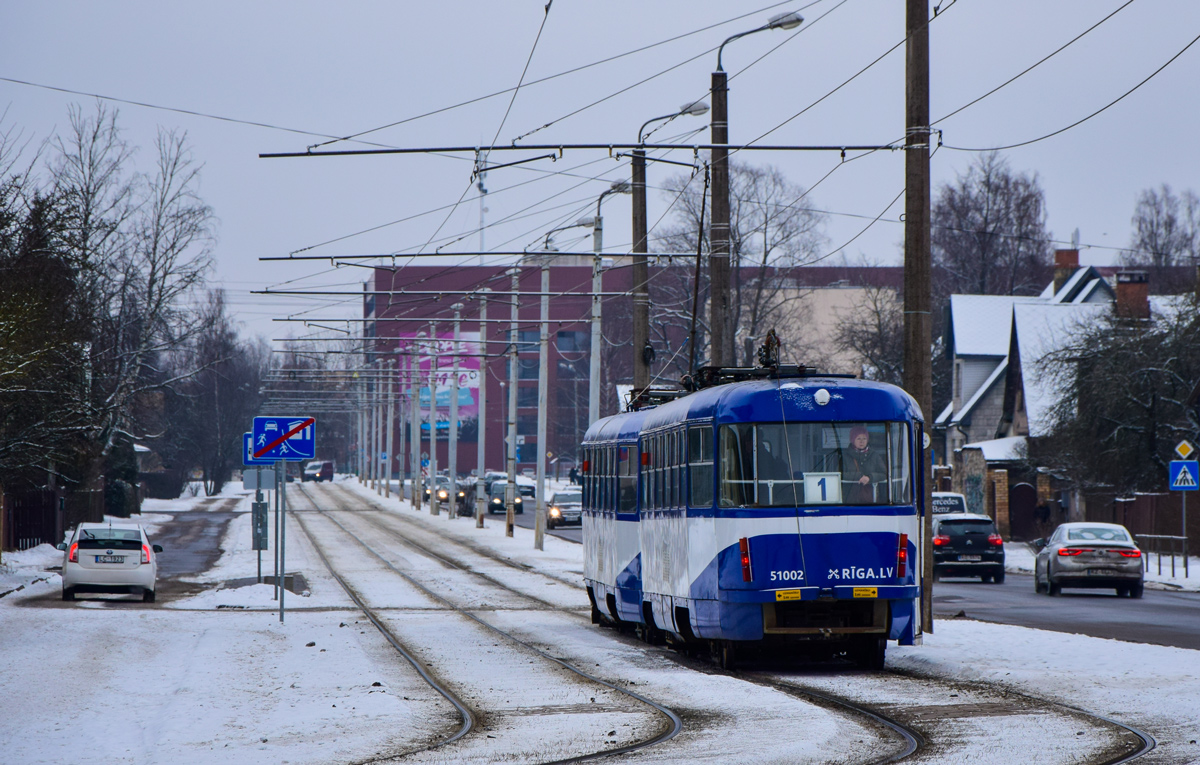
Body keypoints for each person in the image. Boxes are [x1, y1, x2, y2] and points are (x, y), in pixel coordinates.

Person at [844, 425, 887, 504]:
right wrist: (858, 476)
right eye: (858, 438)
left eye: (864, 438)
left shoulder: (874, 455)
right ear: (852, 440)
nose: (862, 441)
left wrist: (870, 478)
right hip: (849, 500)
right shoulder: (845, 456)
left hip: (871, 498)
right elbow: (839, 474)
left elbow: (885, 474)